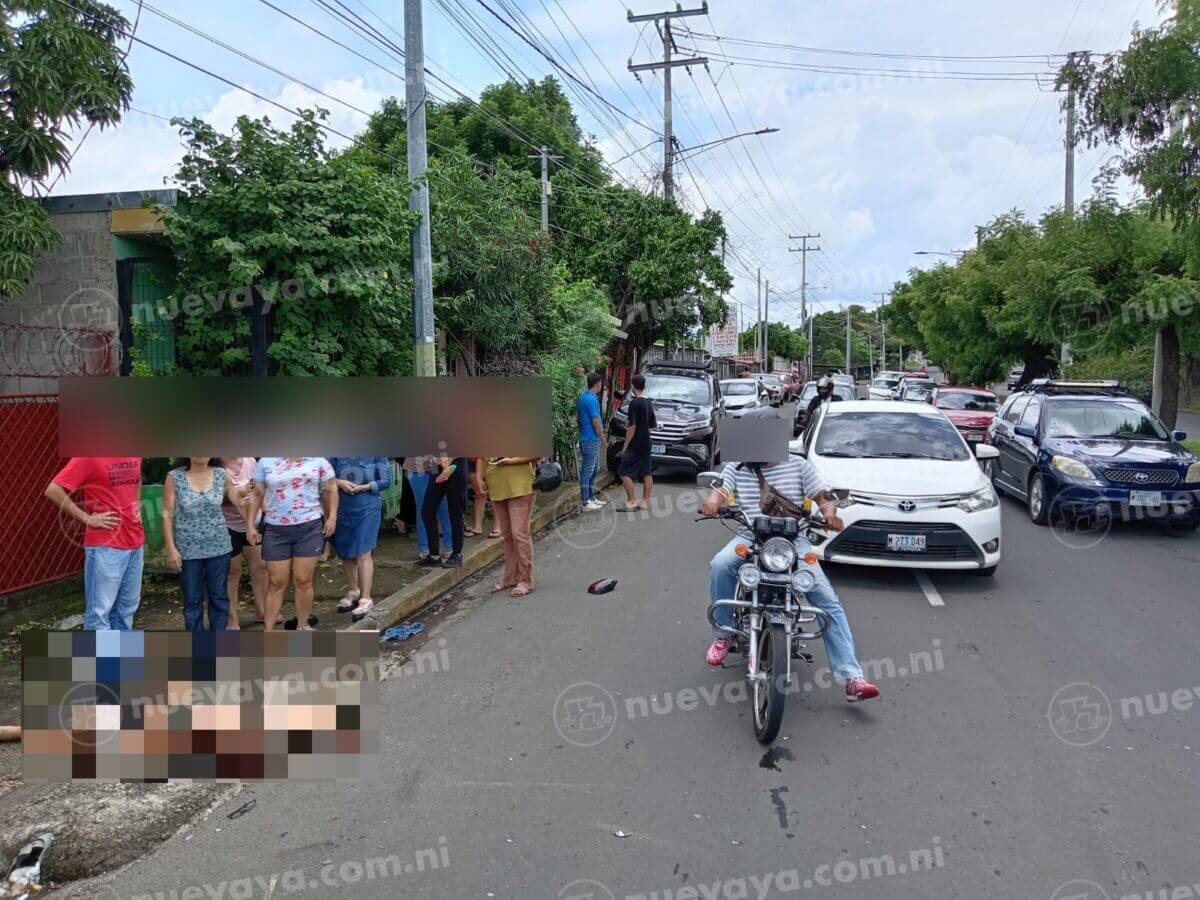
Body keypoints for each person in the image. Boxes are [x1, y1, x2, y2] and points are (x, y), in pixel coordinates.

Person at [700, 456, 880, 703]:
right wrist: (712, 502)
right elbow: (719, 491)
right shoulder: (736, 467)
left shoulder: (799, 465)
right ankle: (724, 632)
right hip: (750, 536)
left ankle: (852, 677)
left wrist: (830, 513)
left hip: (795, 541)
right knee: (721, 564)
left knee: (827, 600)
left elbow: (823, 497)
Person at [44, 457, 145, 631]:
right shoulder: (88, 457)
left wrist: (137, 503)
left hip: (135, 541)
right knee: (100, 613)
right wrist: (87, 518)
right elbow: (53, 490)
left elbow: (136, 479)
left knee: (127, 608)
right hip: (106, 546)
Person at [245, 457, 337, 632]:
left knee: (303, 580)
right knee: (276, 582)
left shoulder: (318, 460)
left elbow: (331, 488)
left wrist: (332, 517)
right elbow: (257, 494)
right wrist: (250, 525)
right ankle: (269, 631)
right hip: (276, 529)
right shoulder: (266, 462)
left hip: (309, 526)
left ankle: (302, 625)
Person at [163, 458, 242, 632]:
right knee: (192, 600)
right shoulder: (175, 477)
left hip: (219, 547)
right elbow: (167, 514)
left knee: (219, 598)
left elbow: (235, 497)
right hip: (188, 551)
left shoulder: (222, 474)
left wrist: (244, 492)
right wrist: (171, 548)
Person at [330, 457, 391, 620]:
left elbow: (386, 480)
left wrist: (365, 487)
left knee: (364, 551)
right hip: (342, 507)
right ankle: (353, 590)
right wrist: (339, 483)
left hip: (368, 507)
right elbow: (325, 477)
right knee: (346, 551)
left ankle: (366, 597)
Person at [220, 456, 272, 629]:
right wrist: (238, 492)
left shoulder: (250, 461)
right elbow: (217, 498)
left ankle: (262, 611)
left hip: (254, 523)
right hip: (227, 525)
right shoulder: (215, 466)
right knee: (231, 572)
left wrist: (267, 515)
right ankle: (232, 618)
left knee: (260, 568)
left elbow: (259, 491)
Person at [486, 455, 538, 597]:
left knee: (519, 534)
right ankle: (510, 577)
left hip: (520, 485)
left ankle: (526, 580)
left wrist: (510, 460)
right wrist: (480, 477)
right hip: (496, 486)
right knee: (508, 536)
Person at [404, 456, 454, 564]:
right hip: (417, 468)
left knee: (444, 508)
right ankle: (424, 548)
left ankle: (449, 546)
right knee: (423, 509)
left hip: (440, 467)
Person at [617, 373, 656, 510]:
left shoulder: (634, 403)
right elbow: (652, 424)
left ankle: (632, 500)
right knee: (646, 471)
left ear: (633, 386)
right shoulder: (648, 402)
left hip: (636, 442)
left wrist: (625, 446)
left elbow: (632, 426)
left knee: (623, 470)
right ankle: (645, 502)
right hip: (647, 441)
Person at [422, 456, 468, 567]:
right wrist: (433, 464)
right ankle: (434, 555)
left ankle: (457, 554)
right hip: (438, 469)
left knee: (455, 512)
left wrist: (448, 460)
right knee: (427, 511)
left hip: (456, 468)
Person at [577, 372, 607, 511]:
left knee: (593, 469)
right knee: (588, 470)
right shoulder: (592, 400)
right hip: (591, 438)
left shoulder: (583, 397)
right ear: (598, 384)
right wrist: (603, 438)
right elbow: (595, 421)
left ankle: (590, 496)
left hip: (587, 437)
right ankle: (585, 500)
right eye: (601, 383)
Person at [464, 457, 501, 539]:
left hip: (489, 459)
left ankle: (497, 527)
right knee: (479, 494)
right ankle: (477, 527)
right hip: (472, 458)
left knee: (494, 494)